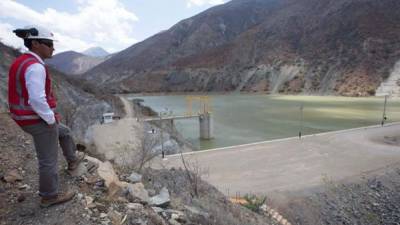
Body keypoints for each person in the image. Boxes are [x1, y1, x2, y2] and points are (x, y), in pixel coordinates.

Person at [8, 25, 84, 208]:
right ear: (35, 44)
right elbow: (36, 98)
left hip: (24, 116)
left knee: (64, 132)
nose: (52, 48)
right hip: (35, 118)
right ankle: (49, 196)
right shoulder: (35, 67)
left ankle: (73, 160)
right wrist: (50, 119)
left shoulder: (22, 61)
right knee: (48, 159)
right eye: (49, 44)